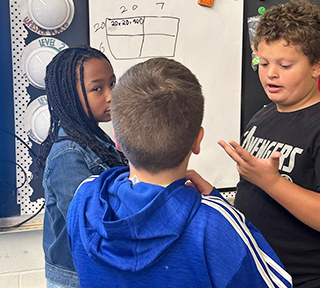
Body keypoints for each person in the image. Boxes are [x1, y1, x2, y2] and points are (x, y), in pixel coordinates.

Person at [67, 57, 292, 288]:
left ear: (117, 139)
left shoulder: (85, 198)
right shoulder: (214, 223)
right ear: (198, 140)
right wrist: (220, 205)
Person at [218, 0, 320, 288]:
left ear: (316, 66)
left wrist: (272, 183)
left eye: (284, 65)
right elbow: (253, 192)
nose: (270, 73)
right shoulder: (262, 117)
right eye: (263, 63)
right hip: (257, 270)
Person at [34, 46, 127, 288]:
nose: (111, 95)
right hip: (74, 279)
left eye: (113, 84)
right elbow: (88, 225)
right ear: (69, 96)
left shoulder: (98, 140)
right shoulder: (69, 154)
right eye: (97, 88)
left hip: (93, 271)